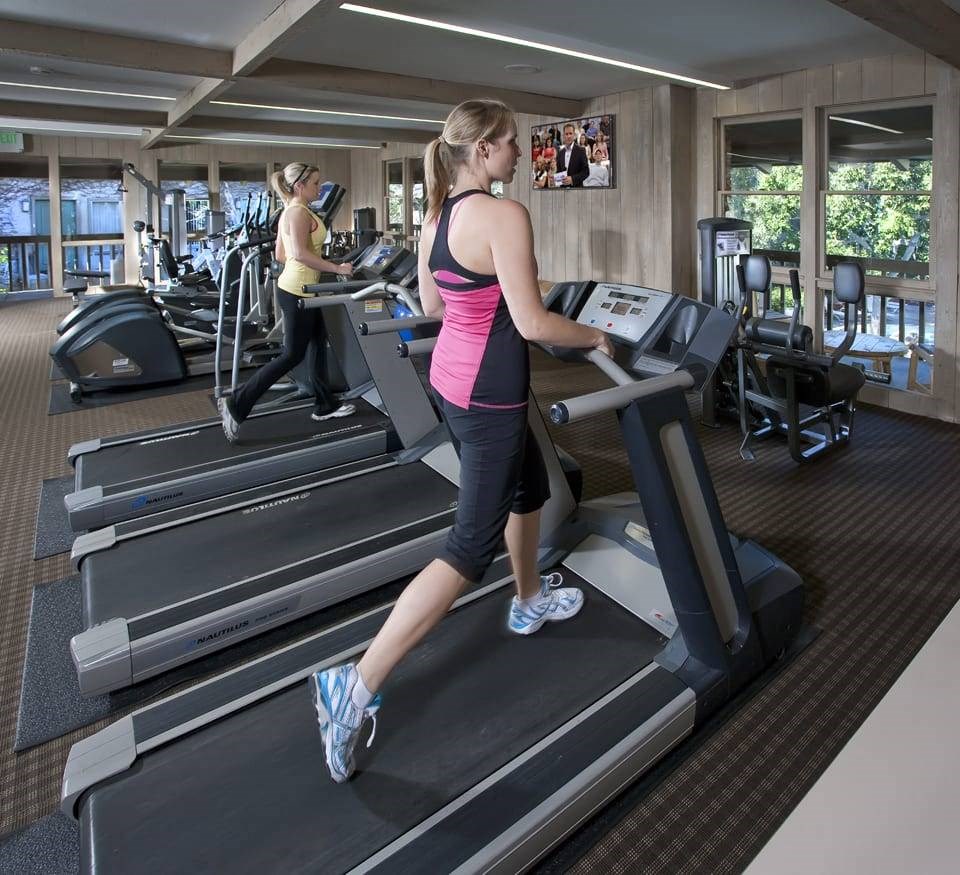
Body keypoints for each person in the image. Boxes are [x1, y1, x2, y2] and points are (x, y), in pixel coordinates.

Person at [309, 98, 614, 784]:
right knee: (468, 547)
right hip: (488, 396)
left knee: (531, 485)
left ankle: (530, 597)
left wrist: (498, 299)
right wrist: (596, 335)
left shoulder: (438, 218)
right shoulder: (504, 215)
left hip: (450, 380)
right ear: (482, 150)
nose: (516, 156)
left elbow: (437, 308)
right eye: (509, 144)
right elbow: (534, 324)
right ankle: (353, 687)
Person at [220, 163, 356, 442]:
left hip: (304, 289)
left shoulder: (295, 212)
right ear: (300, 187)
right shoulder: (296, 213)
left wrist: (315, 265)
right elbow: (297, 253)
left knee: (318, 344)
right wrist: (336, 267)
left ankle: (324, 405)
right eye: (316, 183)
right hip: (297, 292)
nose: (320, 188)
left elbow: (281, 255)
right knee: (292, 354)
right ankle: (237, 403)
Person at [556, 123, 589, 187]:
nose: (569, 136)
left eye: (570, 133)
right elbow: (559, 171)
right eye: (566, 134)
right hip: (563, 191)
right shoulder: (560, 153)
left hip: (577, 190)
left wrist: (572, 179)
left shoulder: (581, 150)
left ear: (574, 135)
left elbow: (586, 172)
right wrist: (555, 179)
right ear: (563, 136)